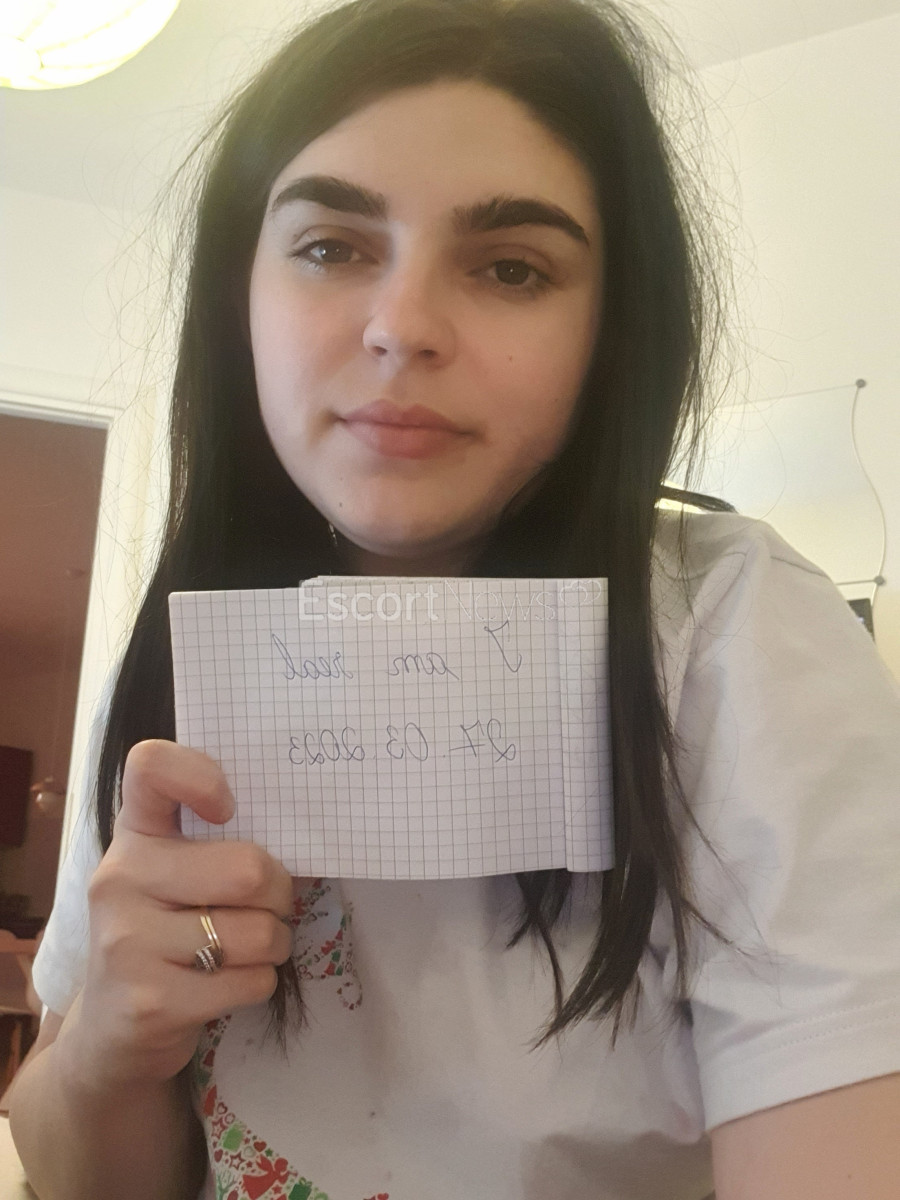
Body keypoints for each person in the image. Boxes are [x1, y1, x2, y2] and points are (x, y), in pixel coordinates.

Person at [8, 0, 900, 1197]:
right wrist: (109, 1049)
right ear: (239, 295)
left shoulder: (736, 639)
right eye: (332, 246)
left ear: (611, 327)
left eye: (512, 267)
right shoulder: (177, 663)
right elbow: (78, 1158)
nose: (403, 328)